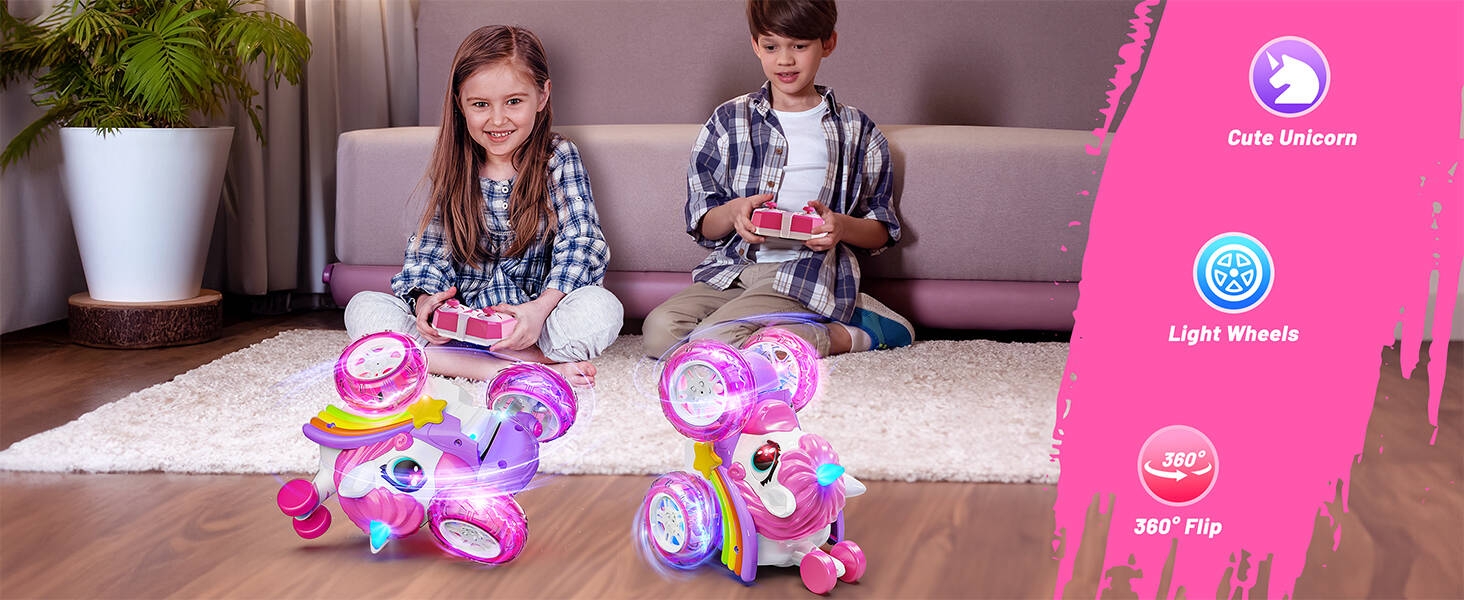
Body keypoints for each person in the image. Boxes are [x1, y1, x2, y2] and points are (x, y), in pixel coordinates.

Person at [345, 25, 622, 387]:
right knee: (363, 307)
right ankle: (517, 368)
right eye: (480, 104)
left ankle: (449, 362)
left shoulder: (558, 156)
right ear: (460, 105)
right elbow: (428, 253)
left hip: (532, 322)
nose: (497, 119)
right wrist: (427, 302)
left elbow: (581, 242)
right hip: (458, 323)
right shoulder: (454, 165)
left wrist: (539, 310)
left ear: (542, 95)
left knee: (602, 309)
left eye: (514, 101)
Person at [642, 0, 913, 359]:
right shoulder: (728, 120)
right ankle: (803, 330)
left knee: (716, 339)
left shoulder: (856, 130)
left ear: (828, 43)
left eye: (799, 46)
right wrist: (734, 212)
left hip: (805, 271)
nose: (785, 60)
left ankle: (844, 334)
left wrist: (840, 226)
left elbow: (881, 229)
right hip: (735, 269)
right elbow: (703, 222)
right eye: (771, 47)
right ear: (755, 45)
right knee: (659, 332)